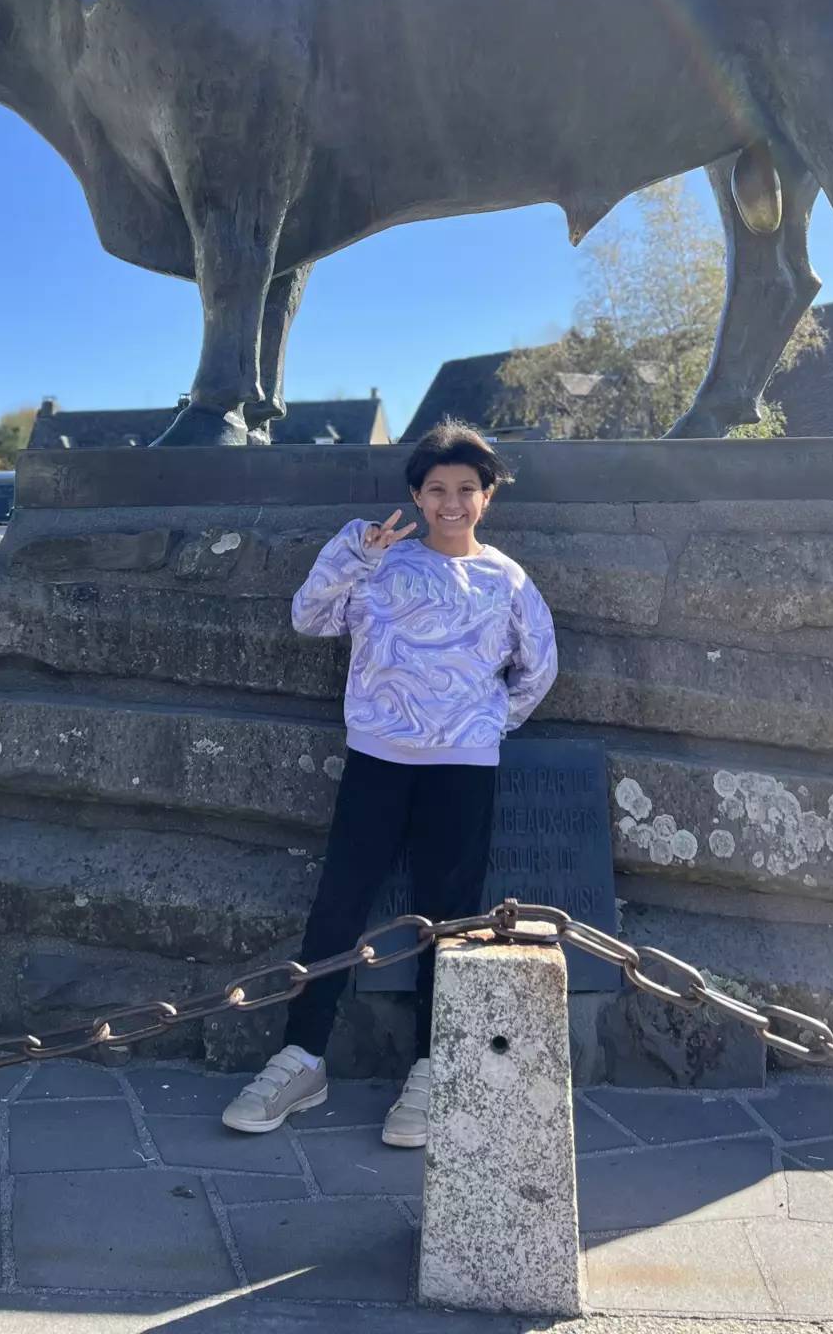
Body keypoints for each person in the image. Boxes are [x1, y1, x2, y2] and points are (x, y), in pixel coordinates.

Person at [222, 419, 558, 1148]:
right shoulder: (379, 559)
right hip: (378, 757)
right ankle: (302, 1056)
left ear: (487, 497)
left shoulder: (507, 580)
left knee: (450, 917)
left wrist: (488, 723)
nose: (451, 503)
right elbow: (308, 618)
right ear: (415, 493)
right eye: (437, 489)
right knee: (339, 904)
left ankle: (433, 1067)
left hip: (462, 768)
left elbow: (538, 667)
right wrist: (353, 556)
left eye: (467, 489)